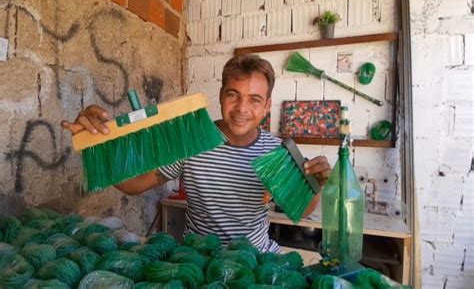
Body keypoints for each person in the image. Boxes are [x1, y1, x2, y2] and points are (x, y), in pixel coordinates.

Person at [61, 53, 331, 253]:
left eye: (255, 99)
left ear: (267, 106)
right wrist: (96, 146)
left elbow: (302, 209)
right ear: (221, 95)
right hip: (197, 259)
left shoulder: (275, 152)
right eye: (233, 95)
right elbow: (134, 184)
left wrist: (314, 187)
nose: (241, 108)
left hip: (256, 259)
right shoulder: (191, 142)